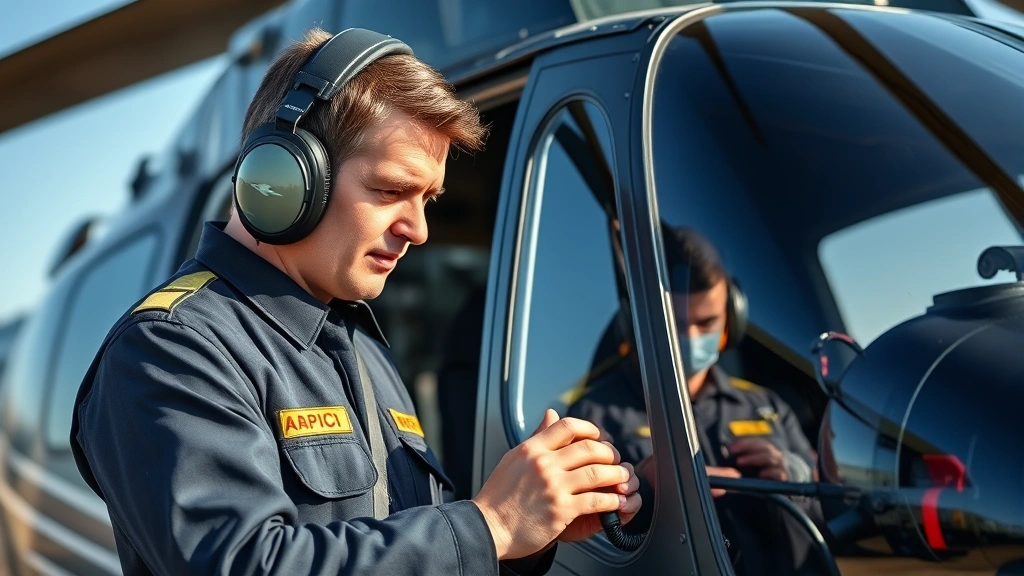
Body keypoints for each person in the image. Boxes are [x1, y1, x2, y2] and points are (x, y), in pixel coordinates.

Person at [70, 27, 640, 576]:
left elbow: (398, 544)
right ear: (286, 178)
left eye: (427, 199)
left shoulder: (359, 344)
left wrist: (525, 536)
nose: (417, 230)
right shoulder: (171, 348)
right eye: (390, 191)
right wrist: (488, 526)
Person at [567, 226, 819, 575]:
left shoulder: (768, 406)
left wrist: (796, 478)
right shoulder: (591, 417)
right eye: (676, 323)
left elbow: (831, 520)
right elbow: (580, 548)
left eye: (707, 322)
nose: (692, 337)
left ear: (732, 317)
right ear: (639, 319)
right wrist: (645, 488)